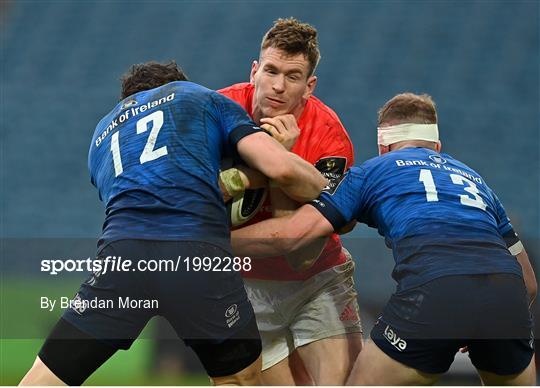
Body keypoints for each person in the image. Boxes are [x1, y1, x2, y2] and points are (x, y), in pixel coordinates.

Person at [19, 61, 326, 386]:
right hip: (195, 253)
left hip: (123, 258)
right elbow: (281, 169)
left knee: (47, 377)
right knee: (240, 378)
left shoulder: (100, 137)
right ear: (176, 85)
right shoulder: (198, 97)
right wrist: (333, 195)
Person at [232, 92, 537, 385]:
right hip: (506, 298)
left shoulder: (373, 171)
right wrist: (481, 316)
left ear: (383, 146)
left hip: (435, 289)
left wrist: (208, 237)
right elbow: (529, 283)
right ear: (437, 146)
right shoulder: (476, 181)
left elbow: (290, 236)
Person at [218, 18, 363, 385]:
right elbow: (193, 197)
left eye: (293, 76)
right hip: (243, 284)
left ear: (309, 86)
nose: (278, 86)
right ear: (255, 70)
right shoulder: (217, 111)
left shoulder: (330, 137)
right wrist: (269, 168)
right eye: (271, 70)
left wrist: (282, 166)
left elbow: (303, 250)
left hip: (316, 280)